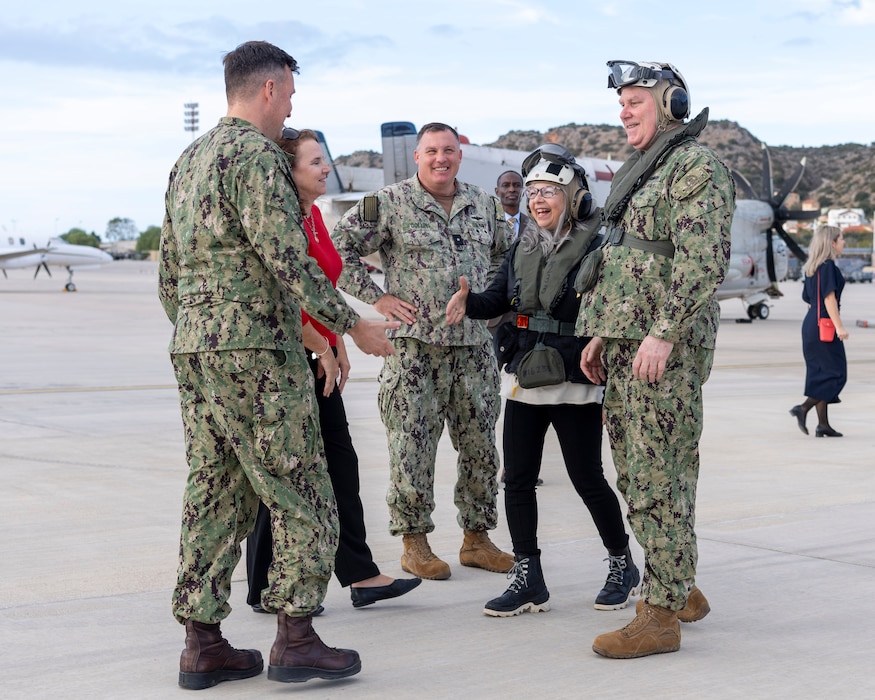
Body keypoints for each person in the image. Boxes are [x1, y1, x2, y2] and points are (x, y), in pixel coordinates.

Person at [159, 41, 398, 690]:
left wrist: (202, 332)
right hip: (257, 355)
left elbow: (168, 277)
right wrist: (353, 325)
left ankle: (201, 642)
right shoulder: (258, 159)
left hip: (195, 351)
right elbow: (286, 261)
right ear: (267, 90)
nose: (291, 104)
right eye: (289, 94)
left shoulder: (189, 161)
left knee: (214, 492)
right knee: (302, 491)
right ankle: (295, 635)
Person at [577, 60, 734, 658]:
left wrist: (663, 333)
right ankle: (678, 583)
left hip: (661, 352)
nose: (624, 113)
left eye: (635, 101)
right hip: (628, 345)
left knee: (657, 476)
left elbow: (700, 260)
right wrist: (601, 336)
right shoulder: (647, 171)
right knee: (644, 472)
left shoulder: (694, 166)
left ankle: (660, 614)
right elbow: (626, 261)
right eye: (621, 104)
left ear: (670, 102)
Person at [445, 144, 640, 617]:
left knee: (586, 477)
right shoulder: (522, 246)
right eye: (532, 191)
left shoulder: (600, 243)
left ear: (573, 196)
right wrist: (467, 304)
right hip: (527, 378)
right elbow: (497, 301)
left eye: (548, 190)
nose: (536, 199)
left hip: (577, 376)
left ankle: (622, 563)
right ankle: (528, 576)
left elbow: (615, 305)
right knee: (516, 479)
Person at [246, 128, 421, 612]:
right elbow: (280, 297)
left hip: (319, 352)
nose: (326, 168)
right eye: (316, 162)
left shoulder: (317, 218)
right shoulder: (280, 222)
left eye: (324, 160)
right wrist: (325, 342)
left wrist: (335, 342)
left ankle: (361, 575)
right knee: (283, 473)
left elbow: (322, 287)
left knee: (339, 464)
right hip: (284, 359)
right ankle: (263, 585)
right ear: (289, 169)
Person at [332, 122, 513, 581]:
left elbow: (508, 258)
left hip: (473, 348)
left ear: (459, 155)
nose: (441, 159)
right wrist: (376, 297)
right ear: (417, 157)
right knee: (411, 448)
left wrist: (491, 298)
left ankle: (477, 539)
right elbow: (338, 251)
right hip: (414, 352)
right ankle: (414, 543)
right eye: (431, 151)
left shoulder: (484, 204)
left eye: (449, 150)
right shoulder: (388, 204)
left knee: (480, 450)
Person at [790, 225, 849, 437]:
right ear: (832, 242)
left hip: (811, 325)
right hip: (824, 326)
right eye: (841, 239)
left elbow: (808, 300)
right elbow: (829, 298)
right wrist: (839, 326)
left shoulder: (812, 268)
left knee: (820, 373)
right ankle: (803, 408)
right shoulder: (828, 267)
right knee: (836, 373)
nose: (843, 242)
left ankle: (823, 424)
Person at [495, 170, 528, 240]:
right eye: (506, 185)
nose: (512, 189)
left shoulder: (532, 225)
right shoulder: (489, 221)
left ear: (523, 191)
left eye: (517, 185)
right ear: (497, 191)